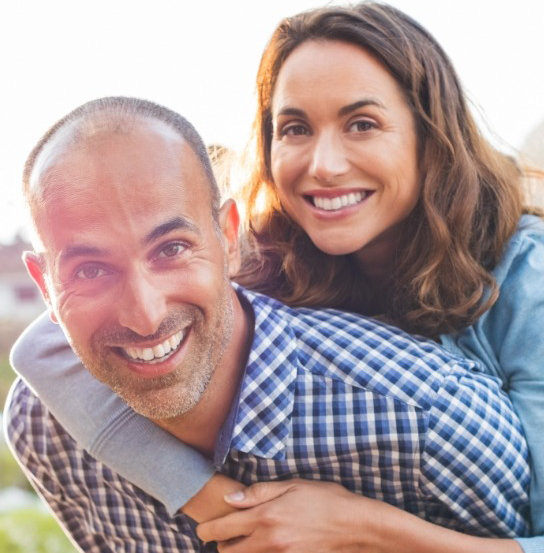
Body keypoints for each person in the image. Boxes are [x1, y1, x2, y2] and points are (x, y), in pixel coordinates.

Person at [9, 2, 544, 551]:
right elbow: (42, 351)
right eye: (295, 128)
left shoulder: (525, 278)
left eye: (362, 124)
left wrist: (365, 527)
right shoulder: (265, 248)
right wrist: (203, 496)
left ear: (429, 133)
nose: (324, 164)